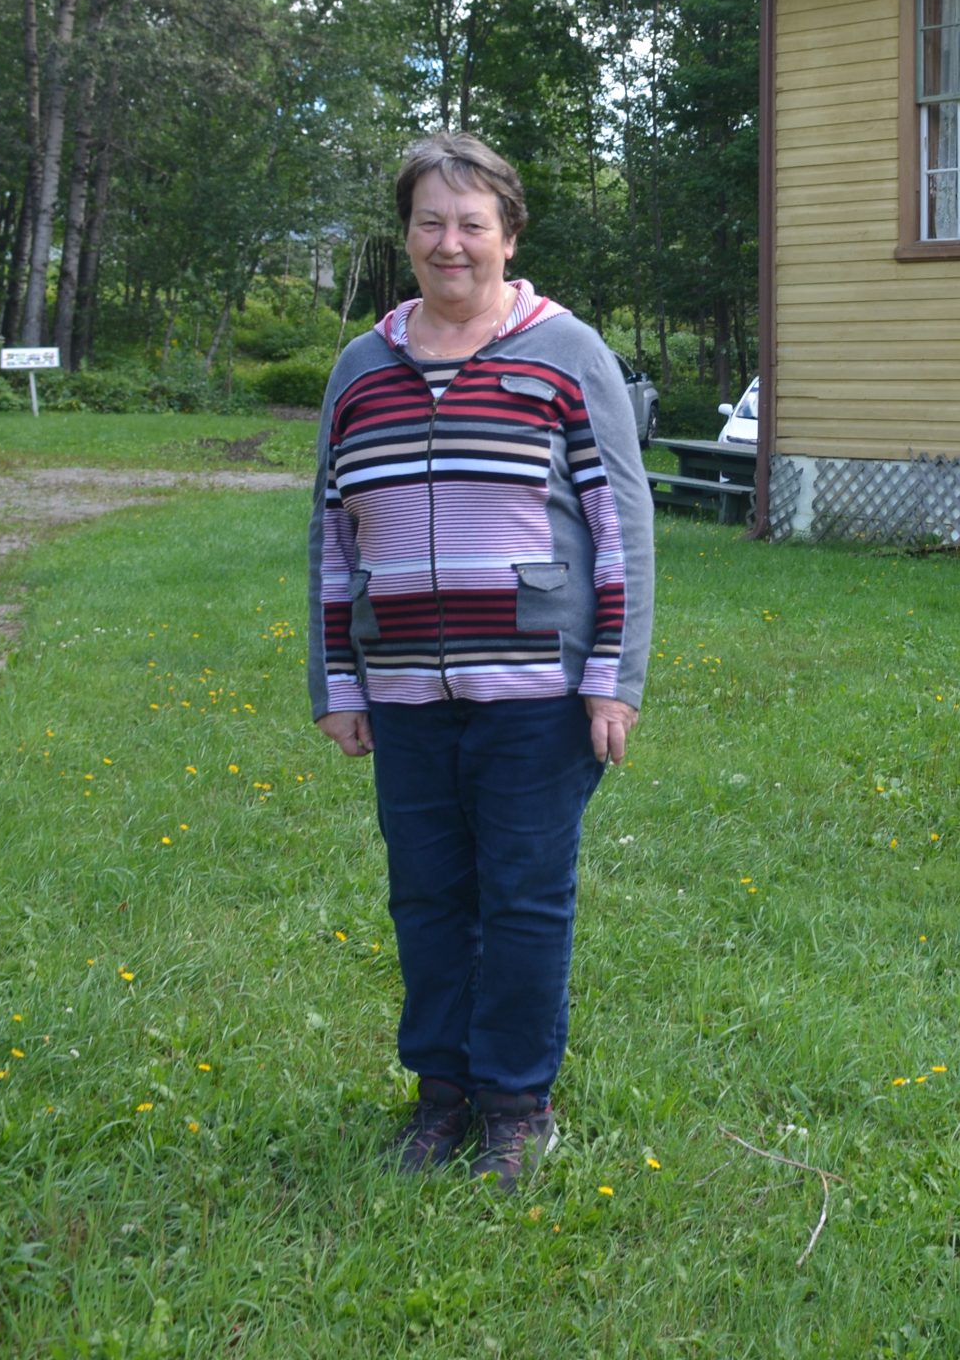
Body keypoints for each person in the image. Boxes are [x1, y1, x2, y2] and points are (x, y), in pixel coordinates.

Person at [307, 132, 653, 1186]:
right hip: (404, 692)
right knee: (425, 897)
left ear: (507, 235)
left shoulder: (567, 353)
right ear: (405, 234)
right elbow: (331, 533)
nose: (449, 243)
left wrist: (611, 677)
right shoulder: (360, 367)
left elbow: (622, 521)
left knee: (523, 897)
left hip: (538, 696)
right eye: (429, 222)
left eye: (471, 223)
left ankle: (514, 1101)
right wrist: (337, 678)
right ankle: (440, 1095)